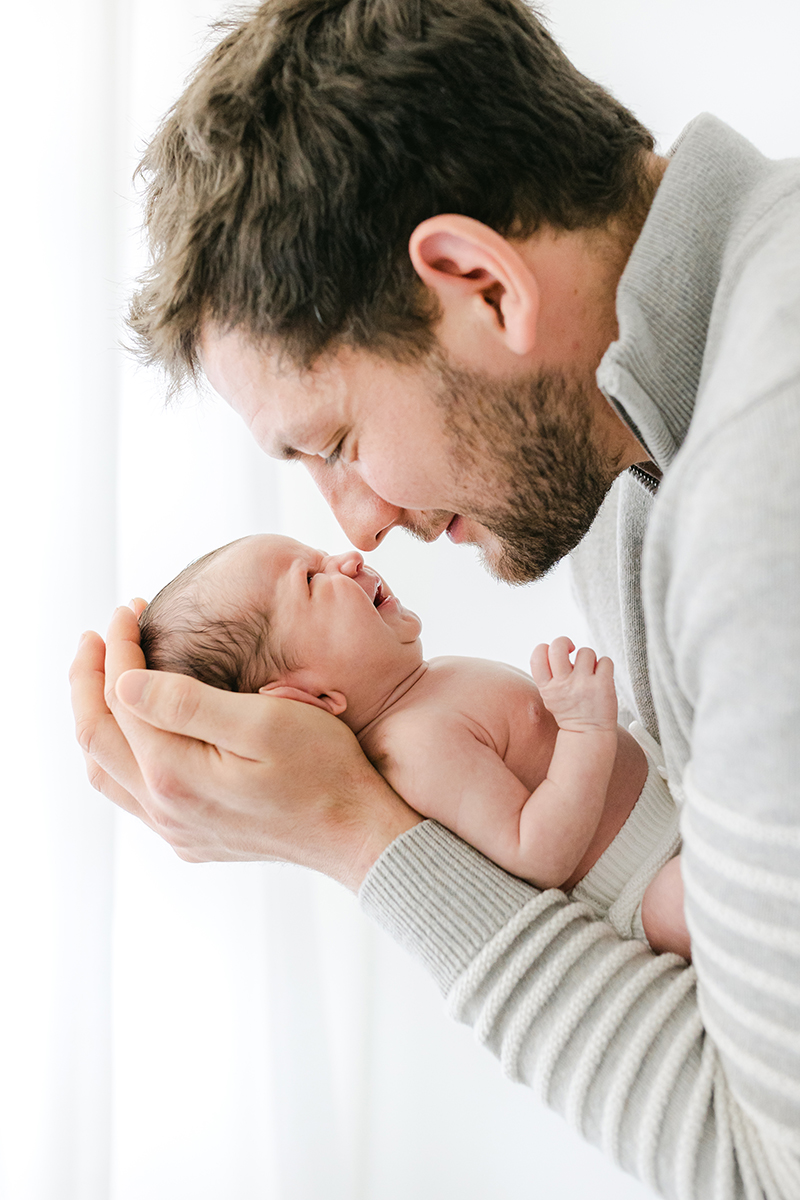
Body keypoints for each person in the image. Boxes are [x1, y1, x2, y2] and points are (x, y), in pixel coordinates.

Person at [69, 0, 800, 1194]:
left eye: (339, 439)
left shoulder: (753, 503)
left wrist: (357, 838)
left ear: (477, 283)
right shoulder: (647, 456)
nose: (357, 523)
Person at [138, 532, 689, 955]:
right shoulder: (412, 748)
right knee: (699, 903)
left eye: (320, 554)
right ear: (309, 697)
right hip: (643, 888)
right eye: (311, 579)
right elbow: (536, 851)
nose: (348, 559)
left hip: (670, 803)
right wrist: (584, 729)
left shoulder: (428, 686)